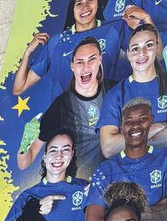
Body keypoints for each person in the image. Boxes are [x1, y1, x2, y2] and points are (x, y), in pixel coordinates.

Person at [18, 37, 109, 180]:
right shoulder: (60, 106)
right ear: (72, 66)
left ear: (100, 60)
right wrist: (25, 143)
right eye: (80, 62)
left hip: (117, 178)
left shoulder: (115, 91)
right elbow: (24, 163)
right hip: (81, 186)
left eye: (91, 59)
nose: (86, 67)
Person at [11, 0, 122, 96]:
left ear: (98, 3)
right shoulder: (56, 43)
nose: (85, 7)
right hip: (67, 112)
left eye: (90, 0)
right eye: (79, 3)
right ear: (72, 10)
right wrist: (28, 53)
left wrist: (141, 18)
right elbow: (19, 88)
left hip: (105, 108)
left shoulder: (114, 29)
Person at [97, 23, 167, 157]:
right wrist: (153, 129)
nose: (142, 53)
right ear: (128, 54)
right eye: (135, 49)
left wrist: (132, 140)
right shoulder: (116, 94)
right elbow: (108, 147)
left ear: (157, 47)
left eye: (149, 45)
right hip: (128, 172)